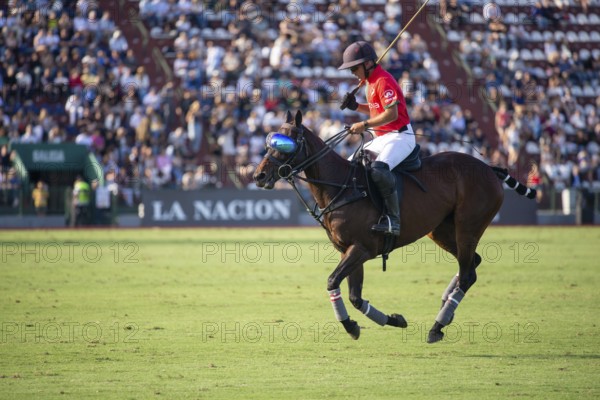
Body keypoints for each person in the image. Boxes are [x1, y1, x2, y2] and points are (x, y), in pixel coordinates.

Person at [338, 41, 416, 236]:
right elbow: (376, 109)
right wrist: (356, 107)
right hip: (382, 138)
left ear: (367, 64)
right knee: (348, 168)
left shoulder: (383, 81)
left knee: (379, 170)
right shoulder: (370, 83)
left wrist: (363, 125)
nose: (352, 73)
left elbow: (392, 114)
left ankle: (393, 220)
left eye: (354, 68)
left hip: (400, 137)